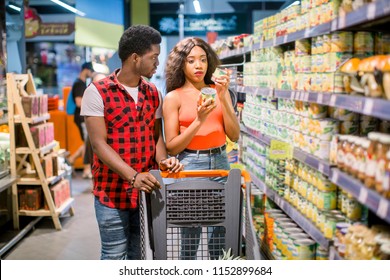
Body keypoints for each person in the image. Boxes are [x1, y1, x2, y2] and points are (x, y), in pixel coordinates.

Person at [80, 25, 183, 260]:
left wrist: (164, 161)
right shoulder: (97, 92)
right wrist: (132, 176)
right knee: (114, 255)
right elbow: (98, 144)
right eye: (154, 57)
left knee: (140, 254)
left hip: (146, 192)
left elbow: (156, 136)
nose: (158, 63)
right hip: (111, 192)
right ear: (135, 58)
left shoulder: (153, 92)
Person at [163, 37, 240, 259]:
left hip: (220, 162)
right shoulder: (173, 98)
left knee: (220, 233)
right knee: (190, 233)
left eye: (203, 59)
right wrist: (198, 120)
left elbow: (234, 134)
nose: (198, 65)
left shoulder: (218, 91)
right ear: (181, 64)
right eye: (191, 60)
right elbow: (172, 147)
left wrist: (224, 98)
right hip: (189, 165)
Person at [68, 61, 94, 179]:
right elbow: (79, 102)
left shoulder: (81, 83)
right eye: (90, 71)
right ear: (86, 70)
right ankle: (86, 170)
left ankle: (71, 159)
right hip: (81, 117)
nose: (91, 73)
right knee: (88, 143)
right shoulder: (79, 84)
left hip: (81, 117)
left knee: (88, 142)